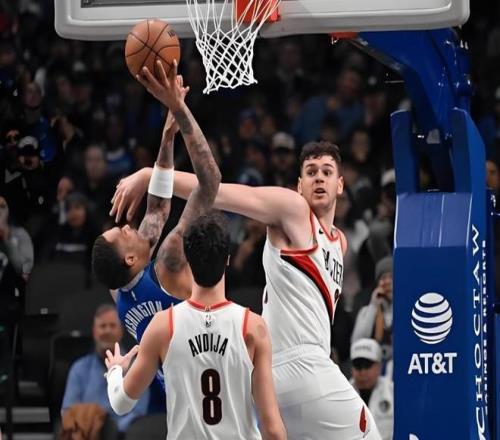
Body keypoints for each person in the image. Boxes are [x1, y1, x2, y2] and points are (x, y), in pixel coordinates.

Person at [111, 68, 381, 438]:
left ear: (340, 185)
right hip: (298, 361)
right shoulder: (293, 209)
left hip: (275, 373)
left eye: (327, 172)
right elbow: (218, 192)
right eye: (311, 172)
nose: (319, 177)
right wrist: (150, 175)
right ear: (298, 185)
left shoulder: (339, 242)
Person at [92, 68, 221, 402]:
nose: (128, 226)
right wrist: (180, 109)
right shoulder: (169, 259)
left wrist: (167, 138)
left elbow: (157, 210)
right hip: (219, 387)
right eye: (123, 233)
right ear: (129, 258)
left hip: (181, 401)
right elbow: (210, 182)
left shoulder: (120, 295)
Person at [104, 211, 286, 440]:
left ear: (188, 259)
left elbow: (121, 403)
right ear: (228, 259)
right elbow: (273, 430)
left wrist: (115, 370)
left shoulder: (162, 326)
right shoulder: (253, 327)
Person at [61, 304, 149, 433]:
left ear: (121, 330)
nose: (107, 330)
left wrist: (111, 430)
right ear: (94, 331)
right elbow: (67, 411)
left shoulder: (136, 366)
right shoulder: (79, 369)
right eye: (102, 326)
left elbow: (139, 411)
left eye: (112, 326)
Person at [351, 256, 393, 368]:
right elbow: (357, 342)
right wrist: (373, 306)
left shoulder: (406, 309)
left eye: (392, 277)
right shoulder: (367, 310)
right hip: (374, 367)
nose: (387, 282)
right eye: (383, 278)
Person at [350, 339, 393, 440]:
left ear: (379, 366)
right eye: (358, 366)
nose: (363, 372)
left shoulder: (393, 392)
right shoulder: (342, 394)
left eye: (367, 365)